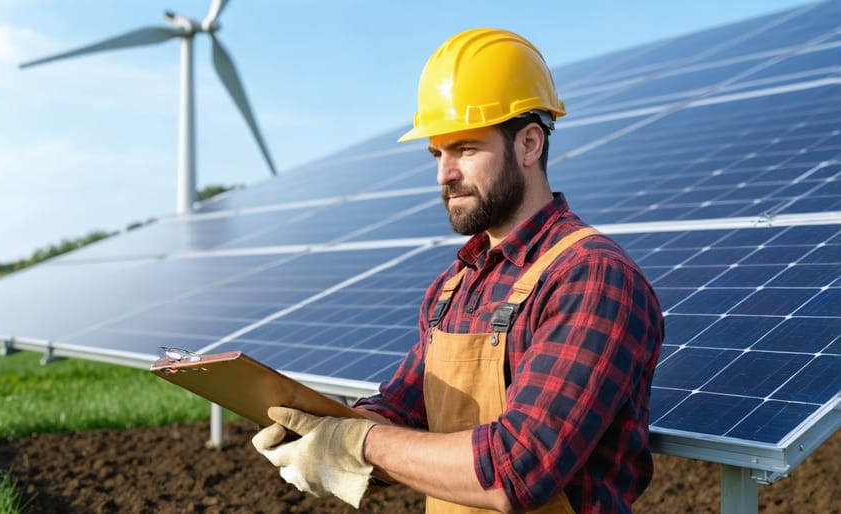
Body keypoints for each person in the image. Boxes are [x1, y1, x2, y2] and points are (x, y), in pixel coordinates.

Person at [253, 27, 664, 513]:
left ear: (529, 144)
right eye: (437, 153)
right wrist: (319, 425)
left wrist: (355, 444)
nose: (444, 174)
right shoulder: (454, 286)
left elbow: (518, 468)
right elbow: (402, 410)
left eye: (465, 148)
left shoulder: (591, 277)